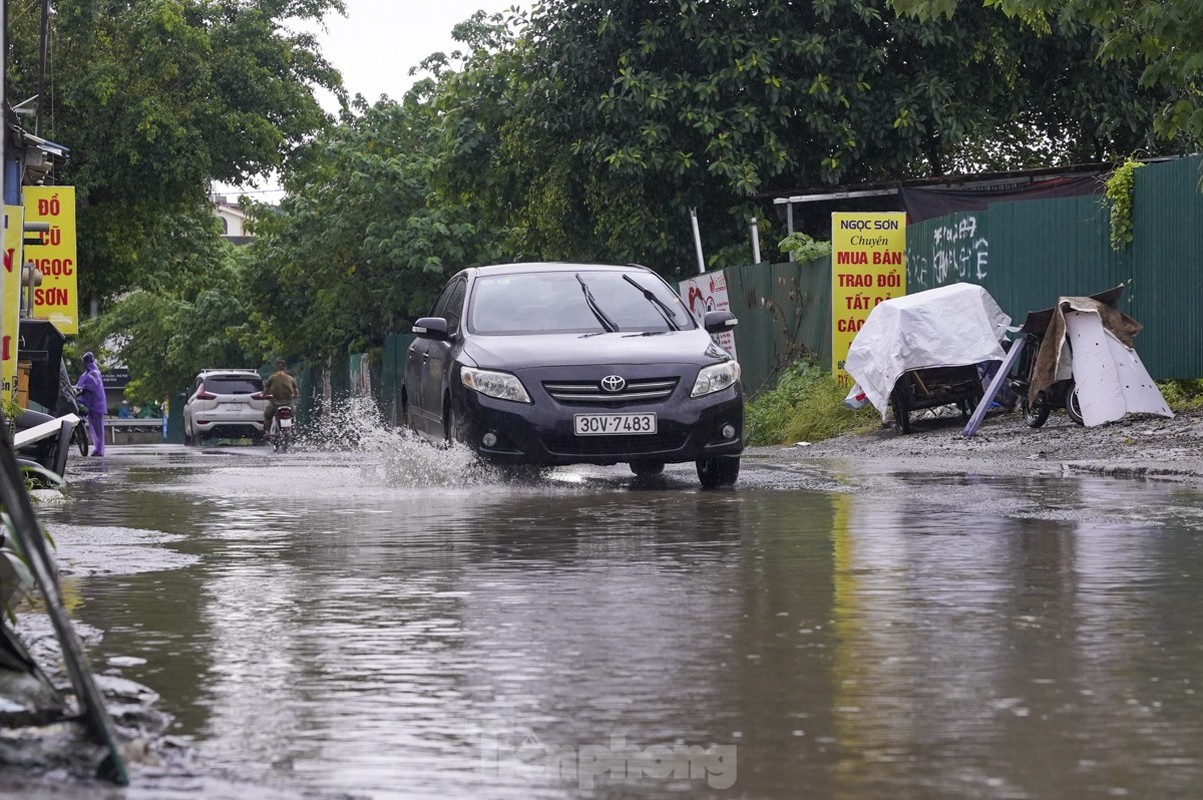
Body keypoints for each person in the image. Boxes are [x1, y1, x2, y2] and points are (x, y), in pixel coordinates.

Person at [74, 351, 107, 456]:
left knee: (98, 428)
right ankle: (97, 448)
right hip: (91, 404)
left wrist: (82, 388)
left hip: (96, 404)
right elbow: (80, 384)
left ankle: (100, 450)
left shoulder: (94, 372)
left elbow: (93, 385)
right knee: (93, 427)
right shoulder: (88, 372)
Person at [263, 360, 299, 436]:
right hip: (288, 404)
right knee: (292, 415)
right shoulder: (291, 378)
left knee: (267, 415)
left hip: (275, 404)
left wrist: (263, 395)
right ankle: (293, 429)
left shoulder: (271, 378)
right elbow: (296, 392)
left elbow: (265, 390)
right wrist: (294, 396)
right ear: (285, 368)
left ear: (275, 368)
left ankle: (267, 432)